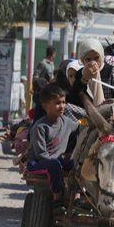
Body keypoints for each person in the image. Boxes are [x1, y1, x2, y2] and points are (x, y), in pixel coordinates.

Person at [26, 84, 79, 214]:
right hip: (38, 162)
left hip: (57, 160)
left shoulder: (66, 122)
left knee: (77, 164)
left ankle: (76, 197)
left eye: (64, 102)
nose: (62, 106)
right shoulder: (40, 127)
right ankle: (57, 198)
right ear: (45, 106)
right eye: (57, 103)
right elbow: (41, 154)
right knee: (55, 165)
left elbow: (80, 127)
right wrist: (60, 163)